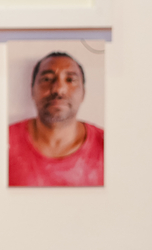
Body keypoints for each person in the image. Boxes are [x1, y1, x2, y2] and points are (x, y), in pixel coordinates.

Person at [8, 51, 104, 187]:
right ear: (32, 91)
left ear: (83, 93)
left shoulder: (108, 147)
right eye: (47, 79)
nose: (59, 89)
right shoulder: (3, 143)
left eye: (70, 80)